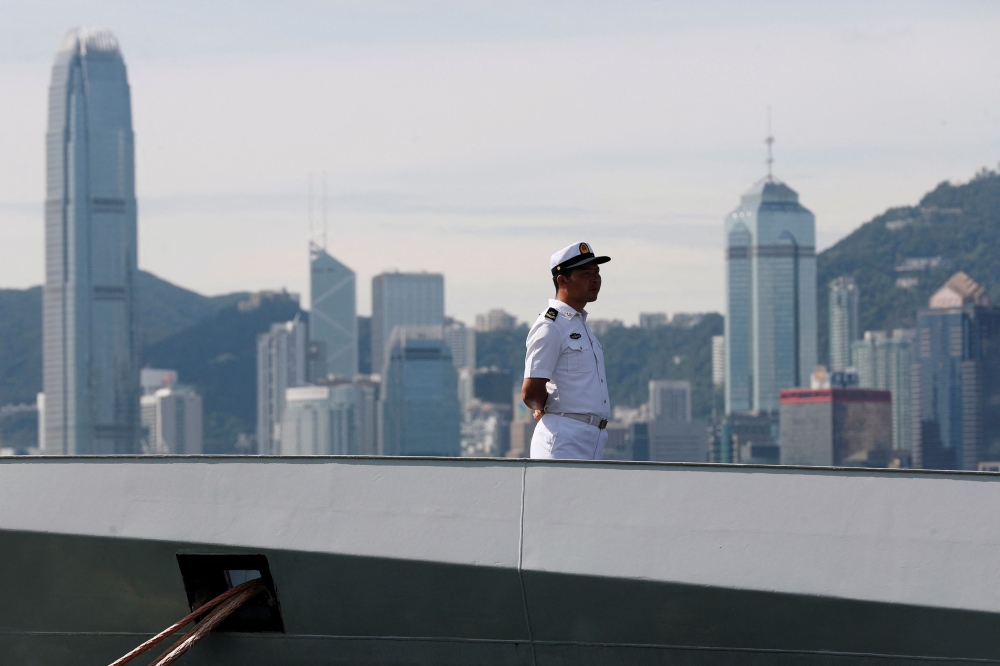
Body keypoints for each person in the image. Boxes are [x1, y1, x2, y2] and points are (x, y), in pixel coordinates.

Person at [521, 241, 611, 459]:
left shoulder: (580, 325)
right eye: (585, 273)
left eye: (597, 271)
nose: (595, 278)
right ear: (562, 280)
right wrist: (547, 407)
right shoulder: (550, 325)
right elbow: (530, 392)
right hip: (564, 438)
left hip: (592, 437)